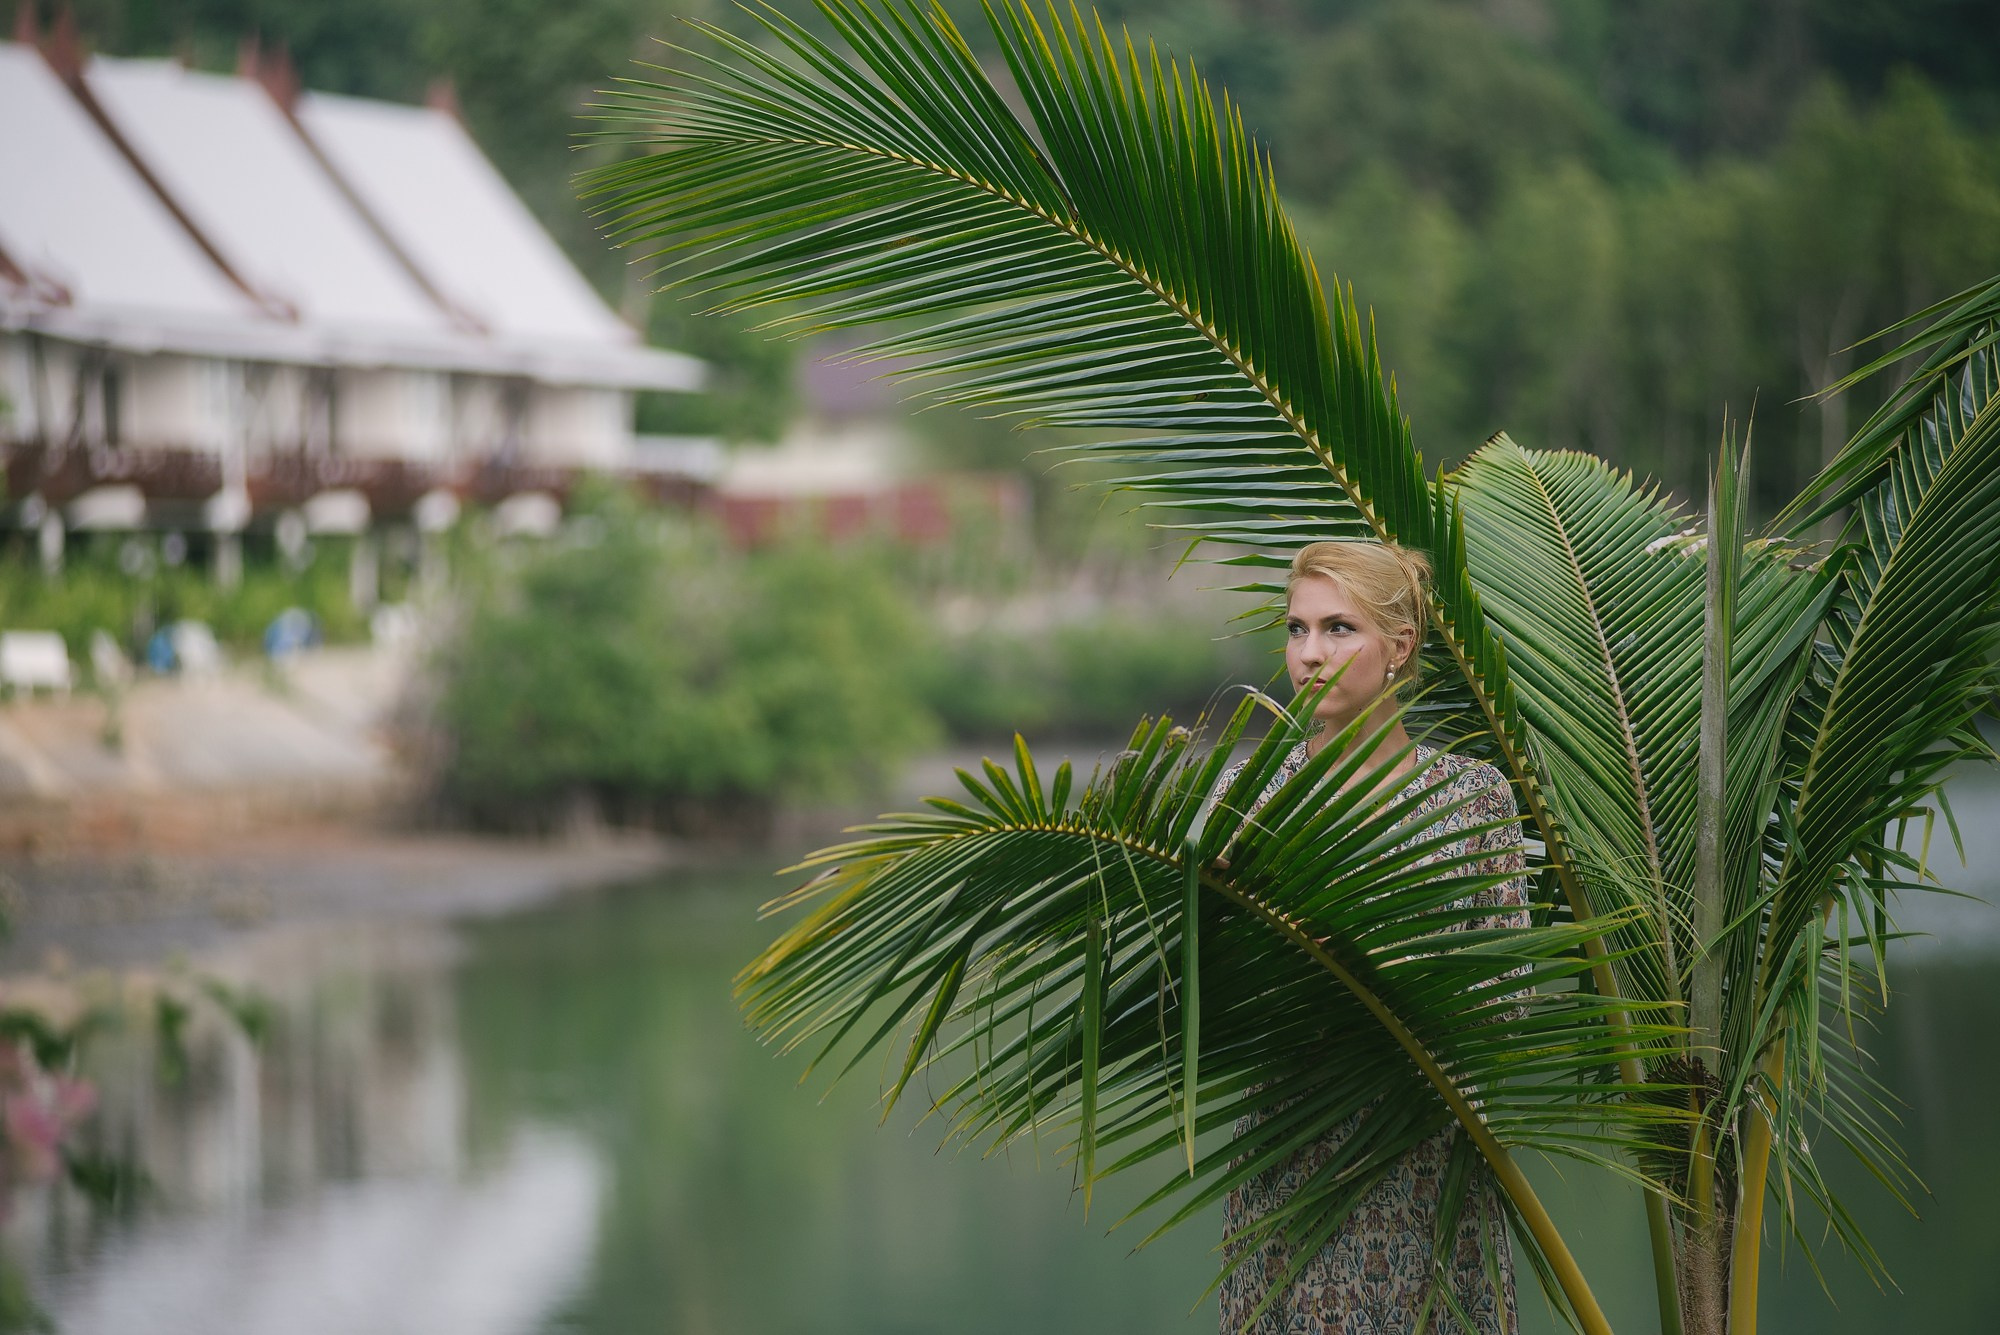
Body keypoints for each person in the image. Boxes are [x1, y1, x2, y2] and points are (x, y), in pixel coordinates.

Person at [1213, 538, 1526, 1335]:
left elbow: (1509, 1007)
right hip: (1292, 1180)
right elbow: (1207, 996)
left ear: (1400, 647)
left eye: (1339, 628)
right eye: (1296, 629)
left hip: (1433, 1175)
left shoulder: (1473, 798)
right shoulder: (1243, 803)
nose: (1309, 653)